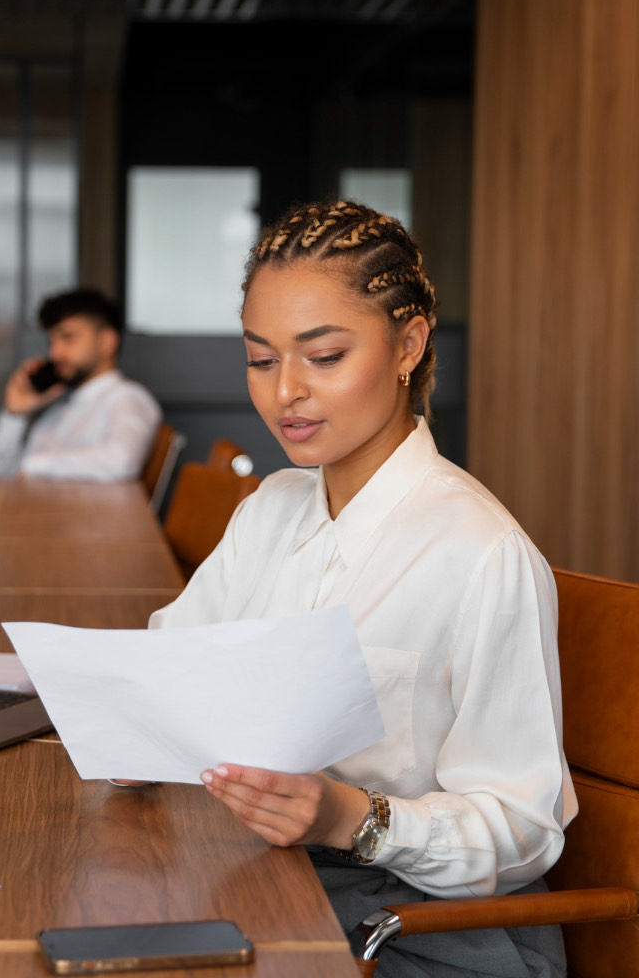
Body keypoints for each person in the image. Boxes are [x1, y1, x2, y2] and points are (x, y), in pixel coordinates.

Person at [149, 200, 577, 977]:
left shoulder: (482, 553)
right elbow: (171, 664)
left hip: (423, 929)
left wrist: (353, 817)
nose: (286, 394)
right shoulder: (271, 510)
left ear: (407, 345)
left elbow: (525, 830)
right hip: (268, 880)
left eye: (324, 356)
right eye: (261, 359)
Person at [0, 288, 161, 481]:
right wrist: (14, 415)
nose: (54, 354)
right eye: (52, 342)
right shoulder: (58, 410)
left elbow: (124, 460)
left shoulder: (127, 397)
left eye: (68, 338)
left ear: (106, 342)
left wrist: (34, 464)